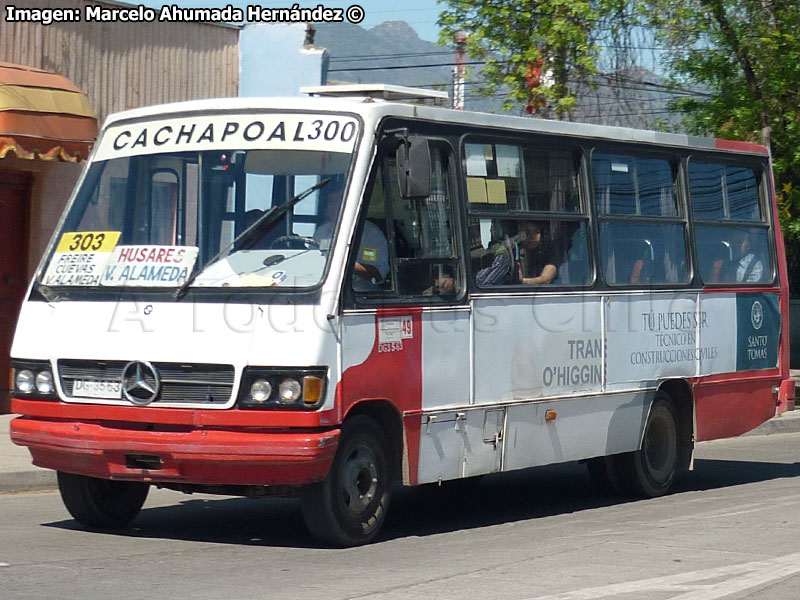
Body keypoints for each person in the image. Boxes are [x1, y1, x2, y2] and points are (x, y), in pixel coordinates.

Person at [313, 181, 389, 289]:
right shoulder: (322, 232)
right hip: (322, 291)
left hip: (357, 297)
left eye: (337, 202)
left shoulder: (370, 234)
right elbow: (312, 263)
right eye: (330, 202)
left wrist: (343, 263)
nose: (332, 207)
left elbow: (377, 275)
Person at [475, 220, 557, 286]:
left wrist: (523, 281)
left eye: (537, 232)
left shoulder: (547, 253)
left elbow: (546, 279)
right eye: (528, 233)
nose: (533, 236)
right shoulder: (512, 254)